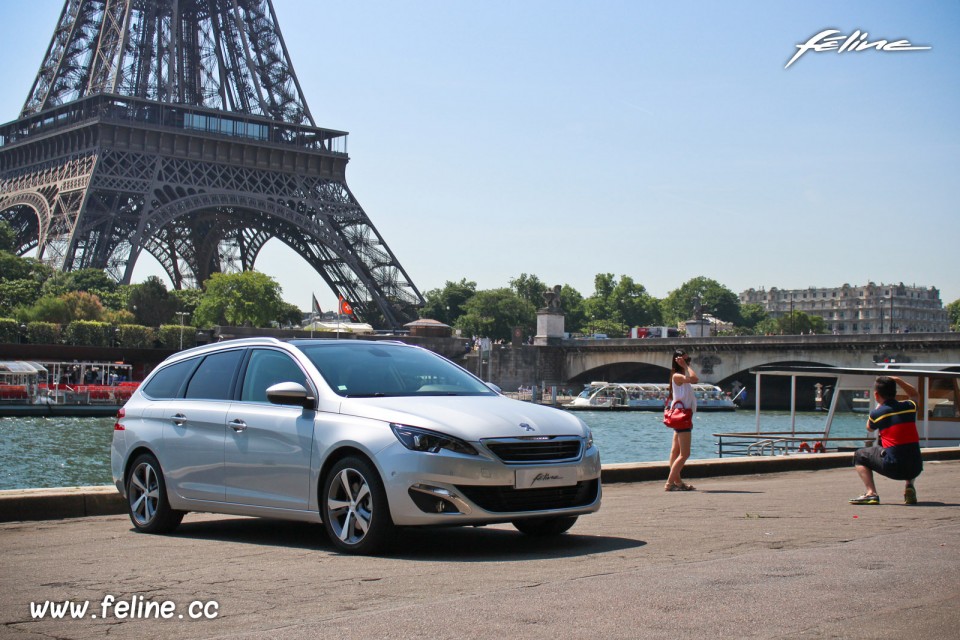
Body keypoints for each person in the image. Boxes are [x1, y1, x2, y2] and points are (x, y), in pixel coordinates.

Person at [849, 376, 923, 505]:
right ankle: (909, 485)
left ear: (876, 394)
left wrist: (877, 409)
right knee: (908, 450)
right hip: (916, 467)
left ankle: (871, 493)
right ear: (895, 392)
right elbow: (914, 394)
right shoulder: (909, 406)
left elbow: (869, 428)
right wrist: (898, 380)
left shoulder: (878, 413)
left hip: (894, 468)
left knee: (860, 455)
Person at [666, 348, 698, 491]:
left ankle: (678, 483)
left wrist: (685, 365)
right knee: (685, 453)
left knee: (675, 451)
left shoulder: (678, 376)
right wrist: (686, 366)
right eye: (687, 360)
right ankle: (669, 483)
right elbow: (695, 379)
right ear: (679, 361)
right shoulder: (678, 376)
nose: (688, 362)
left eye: (689, 360)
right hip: (683, 417)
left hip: (681, 417)